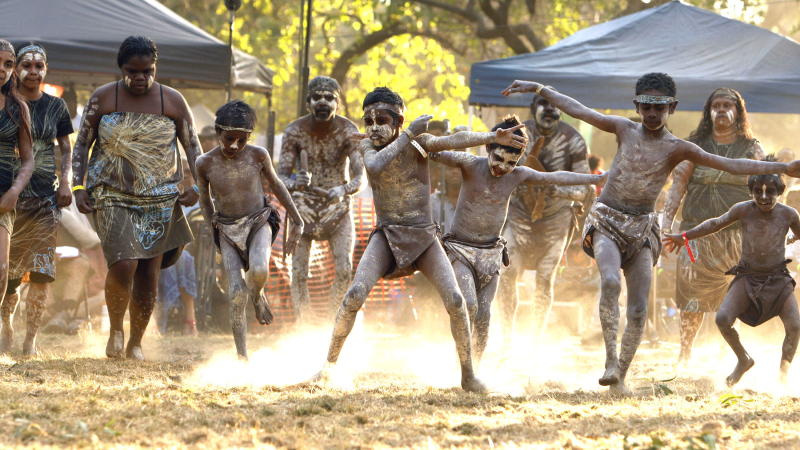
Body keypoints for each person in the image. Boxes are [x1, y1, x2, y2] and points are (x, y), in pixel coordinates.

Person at [502, 73, 800, 395]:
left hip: (643, 228)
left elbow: (730, 165)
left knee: (640, 308)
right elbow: (581, 111)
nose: (652, 114)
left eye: (659, 108)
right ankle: (611, 361)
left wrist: (782, 169)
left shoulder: (678, 148)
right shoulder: (623, 128)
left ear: (671, 107)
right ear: (637, 106)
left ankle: (621, 376)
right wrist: (538, 88)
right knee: (612, 282)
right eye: (646, 107)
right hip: (607, 221)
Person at [310, 87, 527, 392]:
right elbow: (374, 167)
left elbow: (451, 142)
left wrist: (492, 138)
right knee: (355, 294)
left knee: (455, 300)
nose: (373, 127)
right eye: (368, 120)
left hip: (424, 236)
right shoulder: (369, 149)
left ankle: (468, 375)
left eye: (381, 119)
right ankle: (328, 367)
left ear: (398, 119)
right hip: (387, 234)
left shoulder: (419, 143)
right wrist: (407, 134)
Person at [430, 114, 604, 368]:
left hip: (491, 254)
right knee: (467, 303)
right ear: (488, 148)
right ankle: (464, 363)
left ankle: (473, 368)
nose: (501, 167)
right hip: (462, 250)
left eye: (510, 162)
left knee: (485, 314)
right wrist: (487, 136)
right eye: (498, 158)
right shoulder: (471, 163)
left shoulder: (518, 174)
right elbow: (434, 147)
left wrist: (595, 179)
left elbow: (556, 178)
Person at [71, 36, 202, 360]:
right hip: (111, 194)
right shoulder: (103, 97)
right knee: (124, 264)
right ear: (121, 68)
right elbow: (81, 145)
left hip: (159, 198)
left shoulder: (172, 101)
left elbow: (193, 147)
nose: (140, 78)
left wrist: (198, 185)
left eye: (148, 71)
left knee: (148, 272)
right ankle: (116, 329)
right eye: (133, 71)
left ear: (155, 69)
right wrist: (78, 186)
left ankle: (136, 342)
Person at [663, 165, 800, 386]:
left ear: (780, 191)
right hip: (747, 276)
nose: (764, 197)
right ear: (750, 191)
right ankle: (743, 359)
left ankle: (783, 376)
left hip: (778, 279)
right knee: (723, 319)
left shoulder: (789, 215)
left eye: (770, 192)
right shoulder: (743, 210)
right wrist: (685, 236)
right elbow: (716, 223)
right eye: (758, 191)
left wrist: (791, 238)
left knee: (794, 326)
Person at [662, 88, 765, 364]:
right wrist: (664, 226)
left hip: (739, 237)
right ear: (709, 111)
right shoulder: (693, 147)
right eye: (716, 105)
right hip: (695, 235)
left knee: (735, 295)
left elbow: (767, 192)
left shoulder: (753, 148)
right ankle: (685, 354)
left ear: (738, 111)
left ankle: (728, 353)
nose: (721, 110)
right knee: (691, 295)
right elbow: (677, 189)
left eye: (727, 105)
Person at [196, 100, 303, 359]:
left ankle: (258, 295)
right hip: (226, 229)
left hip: (258, 221)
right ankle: (242, 356)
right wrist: (215, 234)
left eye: (241, 141)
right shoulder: (204, 163)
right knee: (235, 294)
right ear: (218, 132)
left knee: (259, 269)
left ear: (249, 138)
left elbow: (277, 186)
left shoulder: (258, 155)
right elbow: (204, 199)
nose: (234, 146)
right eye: (228, 138)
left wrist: (297, 220)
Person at [496, 90, 594, 354]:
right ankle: (507, 341)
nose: (549, 109)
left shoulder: (573, 140)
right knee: (507, 274)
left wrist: (554, 189)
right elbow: (496, 173)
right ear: (532, 106)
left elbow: (585, 188)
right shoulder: (515, 135)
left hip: (555, 220)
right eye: (543, 104)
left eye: (554, 105)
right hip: (517, 217)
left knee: (545, 278)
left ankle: (533, 345)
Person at [0, 43, 74, 355]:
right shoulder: (11, 105)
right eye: (27, 66)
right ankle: (6, 327)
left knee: (42, 271)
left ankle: (30, 340)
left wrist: (67, 182)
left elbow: (67, 149)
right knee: (11, 274)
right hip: (13, 198)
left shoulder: (56, 107)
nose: (33, 72)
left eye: (39, 66)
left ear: (45, 70)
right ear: (16, 70)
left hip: (45, 196)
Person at [278, 76, 364, 324]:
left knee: (345, 270)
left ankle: (332, 324)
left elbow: (361, 178)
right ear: (308, 102)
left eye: (330, 98)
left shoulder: (349, 131)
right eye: (317, 97)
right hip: (302, 210)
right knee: (298, 273)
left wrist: (343, 189)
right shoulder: (294, 131)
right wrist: (296, 183)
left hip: (337, 211)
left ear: (337, 103)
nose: (323, 102)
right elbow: (280, 177)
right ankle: (303, 326)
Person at [0, 40, 35, 353]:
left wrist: (14, 191)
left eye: (8, 64)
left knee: (1, 269)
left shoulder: (16, 108)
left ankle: (4, 321)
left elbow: (28, 160)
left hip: (3, 199)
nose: (2, 69)